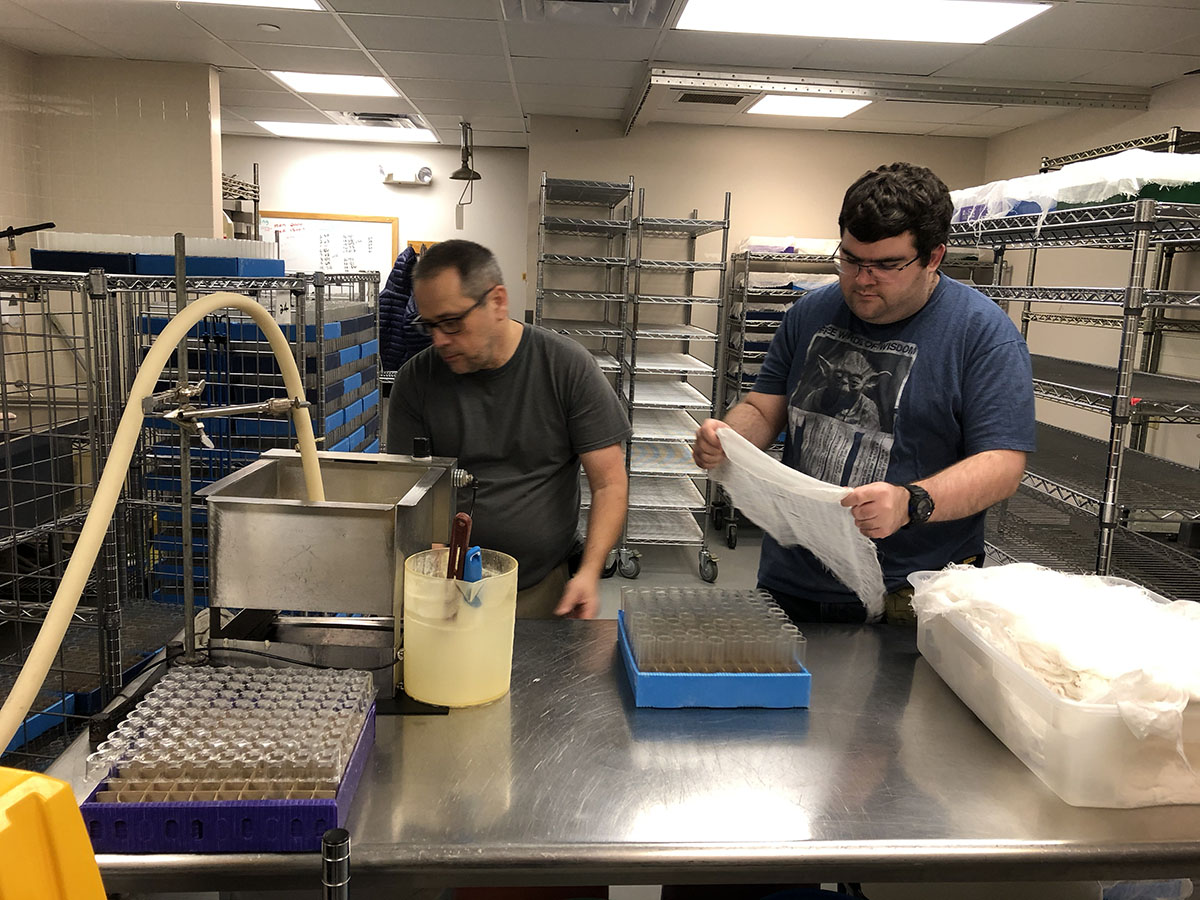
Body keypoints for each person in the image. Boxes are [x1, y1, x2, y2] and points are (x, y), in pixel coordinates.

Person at [693, 162, 1037, 625]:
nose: (861, 279)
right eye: (851, 259)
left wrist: (910, 501)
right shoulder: (810, 314)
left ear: (933, 257)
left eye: (886, 265)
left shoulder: (982, 336)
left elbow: (1002, 465)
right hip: (791, 578)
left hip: (911, 594)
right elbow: (764, 406)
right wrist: (729, 437)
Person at [386, 239, 630, 619]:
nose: (439, 340)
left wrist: (589, 573)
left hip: (545, 588)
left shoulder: (566, 368)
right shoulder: (415, 380)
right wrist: (438, 579)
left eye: (451, 322)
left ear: (497, 301)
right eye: (429, 325)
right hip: (448, 588)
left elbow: (609, 483)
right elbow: (408, 492)